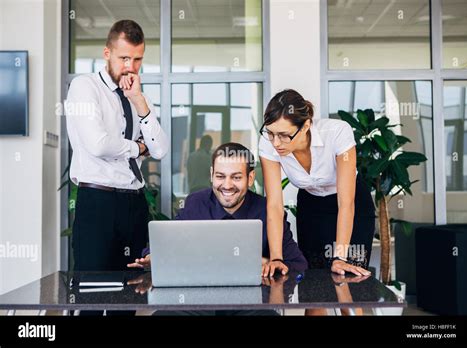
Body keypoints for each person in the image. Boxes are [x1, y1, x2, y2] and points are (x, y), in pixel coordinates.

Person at [128, 142, 308, 315]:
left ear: (250, 178)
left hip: (252, 305)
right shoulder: (195, 204)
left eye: (236, 177)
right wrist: (153, 257)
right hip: (196, 303)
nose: (227, 185)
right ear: (212, 174)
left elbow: (297, 265)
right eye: (220, 176)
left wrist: (270, 264)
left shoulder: (267, 211)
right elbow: (165, 243)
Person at [258, 89, 375, 315]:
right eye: (271, 133)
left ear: (306, 126)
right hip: (312, 206)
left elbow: (346, 203)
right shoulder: (269, 142)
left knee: (347, 286)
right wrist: (276, 258)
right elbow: (274, 205)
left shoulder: (337, 132)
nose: (276, 142)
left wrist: (340, 257)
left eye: (284, 135)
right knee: (313, 288)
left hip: (352, 205)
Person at [65, 19, 169, 273]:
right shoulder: (85, 86)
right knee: (90, 292)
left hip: (134, 203)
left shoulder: (138, 96)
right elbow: (98, 144)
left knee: (131, 289)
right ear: (107, 53)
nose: (130, 67)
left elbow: (161, 149)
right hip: (98, 201)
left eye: (137, 59)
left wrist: (139, 101)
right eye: (124, 58)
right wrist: (137, 147)